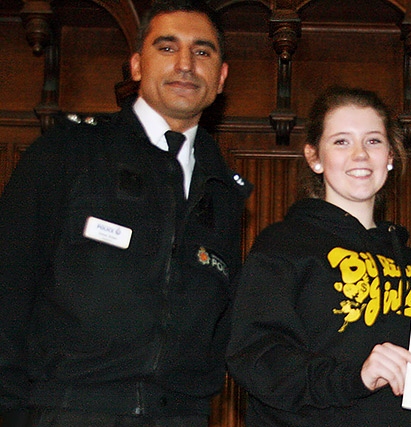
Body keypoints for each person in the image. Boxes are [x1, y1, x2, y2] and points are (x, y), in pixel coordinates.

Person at [0, 1, 251, 426]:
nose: (186, 64)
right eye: (167, 48)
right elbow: (8, 288)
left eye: (203, 51)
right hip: (69, 409)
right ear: (136, 65)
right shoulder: (68, 153)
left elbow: (220, 326)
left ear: (221, 77)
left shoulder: (224, 191)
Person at [226, 86, 411, 427]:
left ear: (390, 156)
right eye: (342, 141)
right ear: (314, 157)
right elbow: (256, 357)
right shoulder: (283, 245)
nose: (360, 155)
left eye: (373, 141)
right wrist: (355, 377)